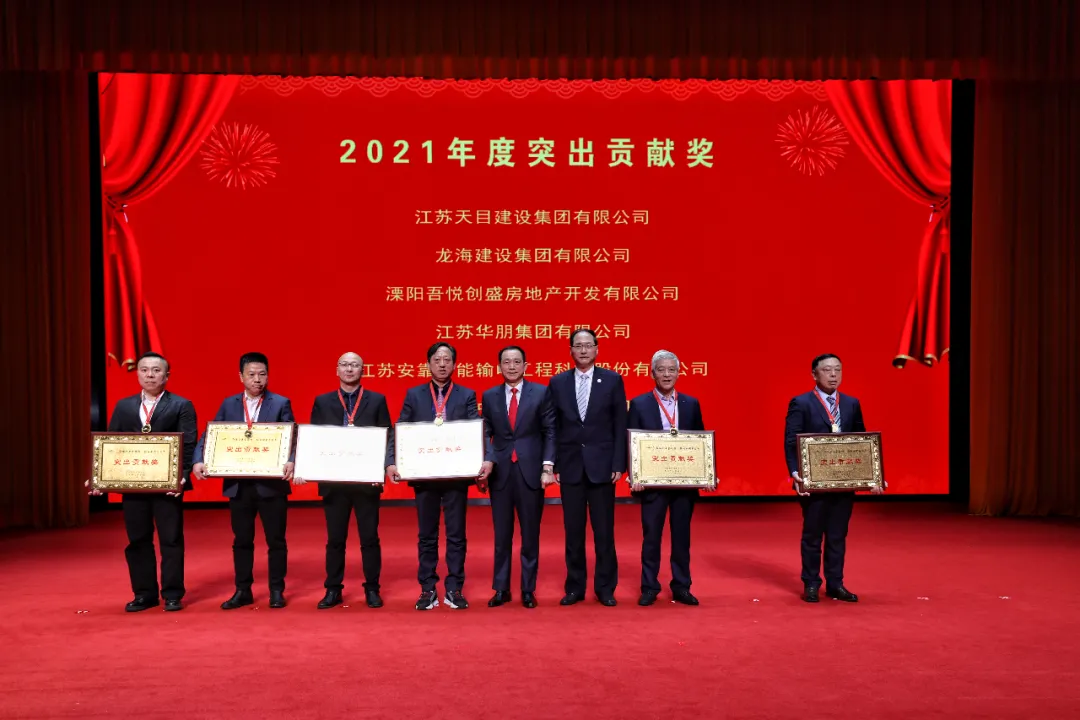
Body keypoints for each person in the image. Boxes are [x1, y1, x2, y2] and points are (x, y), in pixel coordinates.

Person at [86, 351, 197, 612]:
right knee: (137, 540)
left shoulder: (181, 405)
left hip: (168, 486)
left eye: (156, 370)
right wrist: (98, 478)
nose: (150, 375)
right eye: (145, 370)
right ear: (137, 374)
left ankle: (172, 594)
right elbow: (111, 444)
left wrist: (182, 476)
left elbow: (188, 443)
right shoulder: (124, 406)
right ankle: (144, 594)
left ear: (166, 376)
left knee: (171, 540)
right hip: (133, 485)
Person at [192, 352, 296, 610]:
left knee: (276, 540)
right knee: (241, 540)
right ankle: (243, 590)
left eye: (262, 374)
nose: (257, 379)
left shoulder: (280, 402)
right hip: (239, 484)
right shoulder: (229, 404)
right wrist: (198, 459)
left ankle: (276, 590)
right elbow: (211, 434)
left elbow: (292, 437)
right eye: (251, 374)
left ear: (268, 376)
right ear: (241, 376)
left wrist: (292, 460)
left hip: (271, 485)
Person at [385, 342, 483, 611]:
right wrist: (392, 461)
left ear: (454, 364)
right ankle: (427, 588)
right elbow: (400, 429)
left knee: (456, 535)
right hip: (424, 475)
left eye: (447, 359)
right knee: (427, 535)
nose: (442, 364)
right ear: (428, 363)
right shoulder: (414, 394)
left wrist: (482, 460)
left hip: (456, 476)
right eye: (437, 359)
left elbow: (476, 431)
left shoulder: (466, 395)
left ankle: (454, 587)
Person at [784, 353, 885, 604]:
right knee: (813, 535)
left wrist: (874, 475)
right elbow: (791, 441)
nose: (833, 375)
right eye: (827, 370)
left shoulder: (851, 403)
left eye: (837, 370)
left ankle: (835, 583)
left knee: (838, 535)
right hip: (813, 483)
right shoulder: (801, 403)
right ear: (814, 374)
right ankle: (811, 583)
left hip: (844, 481)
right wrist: (796, 474)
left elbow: (862, 442)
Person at [295, 352, 391, 610]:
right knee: (335, 539)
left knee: (369, 538)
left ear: (363, 370)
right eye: (345, 365)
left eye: (355, 365)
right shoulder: (323, 401)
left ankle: (372, 589)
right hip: (334, 483)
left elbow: (387, 437)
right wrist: (305, 467)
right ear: (337, 370)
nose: (350, 369)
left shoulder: (377, 400)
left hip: (366, 483)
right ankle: (333, 589)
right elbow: (313, 439)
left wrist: (380, 470)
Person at [545, 328, 627, 606]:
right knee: (573, 532)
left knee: (604, 532)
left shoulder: (612, 380)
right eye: (578, 346)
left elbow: (620, 423)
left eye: (588, 345)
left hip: (602, 466)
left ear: (596, 349)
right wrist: (553, 462)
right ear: (570, 350)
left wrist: (619, 462)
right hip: (570, 467)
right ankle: (575, 587)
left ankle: (605, 588)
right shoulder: (558, 382)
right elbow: (553, 426)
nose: (583, 350)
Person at [480, 345, 556, 609]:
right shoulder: (490, 396)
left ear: (526, 365)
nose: (511, 367)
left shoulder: (541, 392)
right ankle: (501, 588)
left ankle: (527, 589)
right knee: (502, 535)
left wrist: (547, 466)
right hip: (500, 472)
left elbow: (550, 431)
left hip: (531, 471)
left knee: (530, 534)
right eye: (506, 362)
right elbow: (485, 432)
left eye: (516, 362)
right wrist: (487, 461)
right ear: (499, 366)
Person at [627, 350, 705, 607]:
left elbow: (700, 441)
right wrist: (634, 474)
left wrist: (706, 474)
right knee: (651, 537)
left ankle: (681, 586)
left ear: (679, 373)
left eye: (672, 369)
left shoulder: (691, 404)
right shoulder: (639, 404)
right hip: (652, 483)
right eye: (661, 370)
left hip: (684, 483)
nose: (667, 374)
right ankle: (649, 587)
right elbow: (631, 441)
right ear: (652, 373)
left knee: (682, 537)